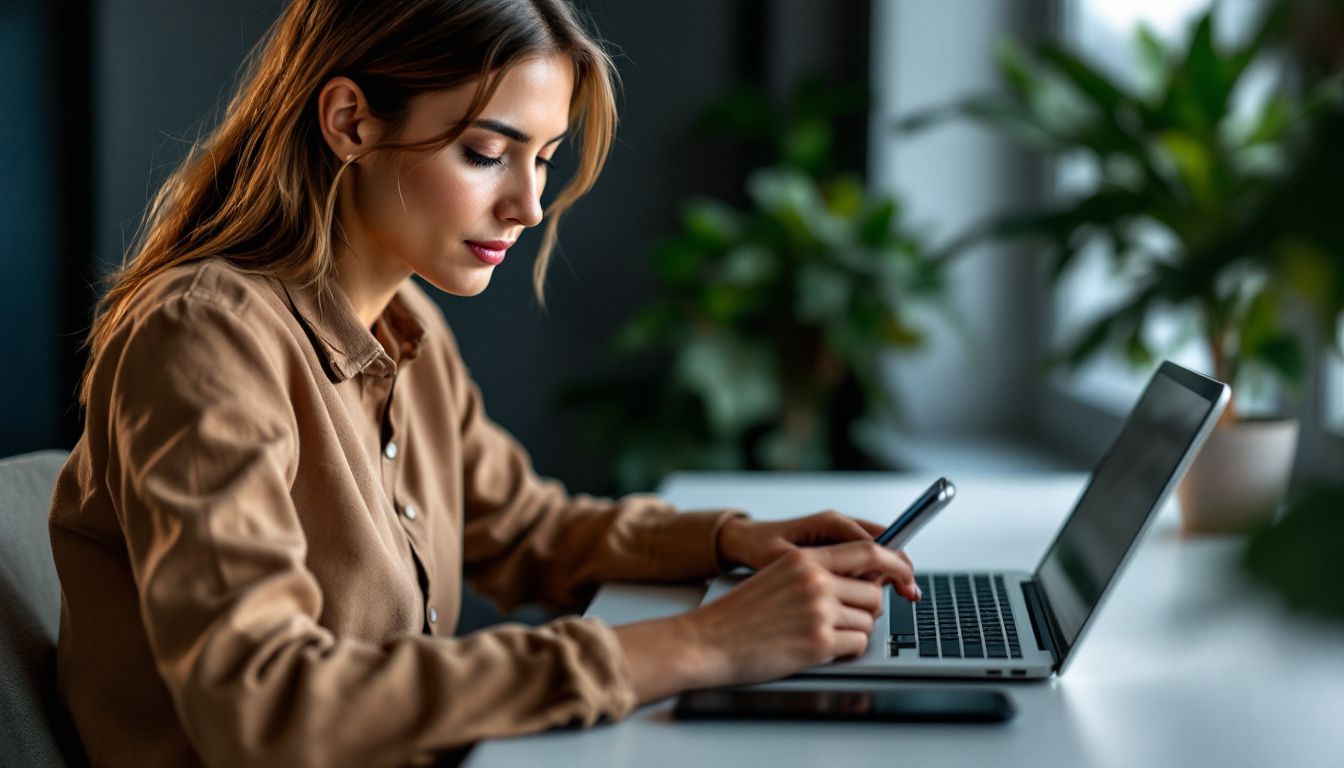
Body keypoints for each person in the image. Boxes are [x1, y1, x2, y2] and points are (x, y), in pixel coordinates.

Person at [48, 1, 920, 765]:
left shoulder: (408, 324)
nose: (528, 206)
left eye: (542, 158)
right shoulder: (203, 337)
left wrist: (733, 542)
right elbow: (263, 704)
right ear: (349, 120)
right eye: (485, 153)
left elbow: (526, 528)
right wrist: (700, 645)